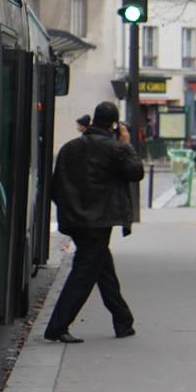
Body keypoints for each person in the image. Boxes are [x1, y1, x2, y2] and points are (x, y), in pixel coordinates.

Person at [44, 101, 144, 343]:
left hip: (74, 220)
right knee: (84, 273)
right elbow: (136, 172)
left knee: (102, 268)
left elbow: (55, 187)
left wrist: (71, 210)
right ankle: (57, 327)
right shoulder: (115, 149)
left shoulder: (69, 148)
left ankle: (123, 321)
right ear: (114, 124)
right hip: (98, 222)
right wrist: (126, 143)